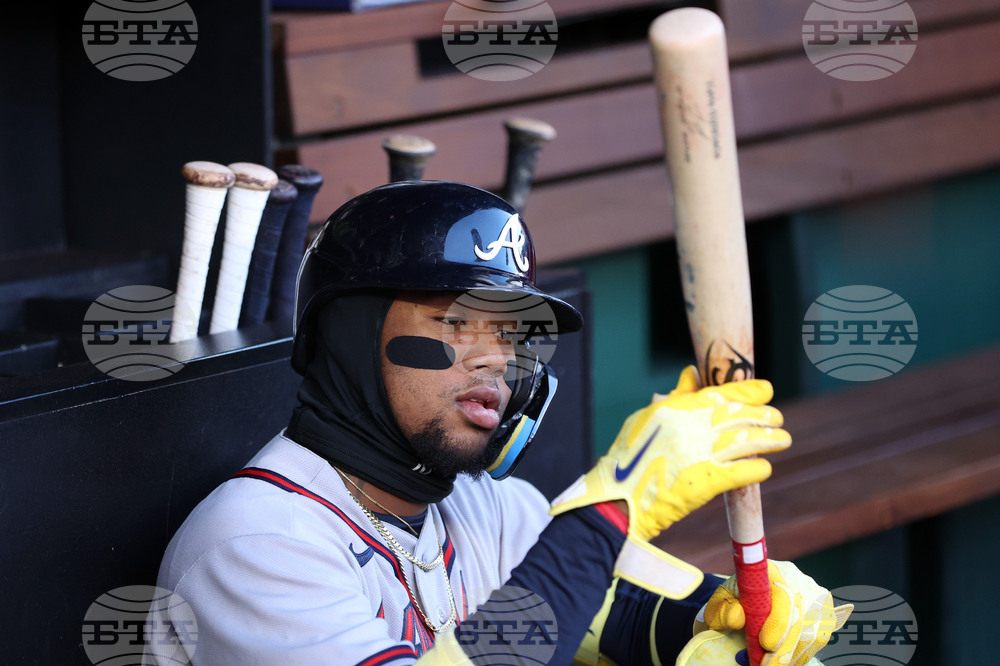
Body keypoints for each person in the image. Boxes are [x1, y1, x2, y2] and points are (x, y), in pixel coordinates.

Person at [150, 181, 851, 665]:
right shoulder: (254, 545)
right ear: (351, 336)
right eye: (455, 321)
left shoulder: (489, 511)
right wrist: (615, 506)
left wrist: (733, 619)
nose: (498, 359)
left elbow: (639, 619)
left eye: (513, 335)